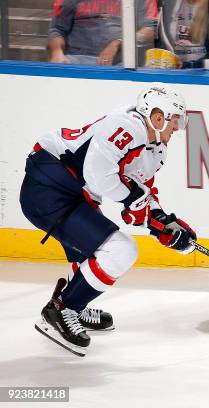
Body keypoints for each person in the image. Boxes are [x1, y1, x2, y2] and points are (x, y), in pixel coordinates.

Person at [20, 83, 196, 356]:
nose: (178, 127)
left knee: (94, 250)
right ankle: (63, 309)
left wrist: (163, 222)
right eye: (175, 120)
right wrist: (135, 202)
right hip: (49, 186)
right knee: (120, 250)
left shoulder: (155, 148)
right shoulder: (129, 126)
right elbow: (98, 174)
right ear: (158, 116)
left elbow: (141, 192)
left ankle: (74, 305)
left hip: (72, 192)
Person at [48, 0, 158, 66]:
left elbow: (150, 29)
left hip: (120, 64)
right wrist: (57, 52)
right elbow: (57, 29)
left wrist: (119, 42)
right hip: (77, 60)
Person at [157, 0, 209, 68]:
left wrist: (189, 65)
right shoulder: (167, 5)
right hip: (172, 74)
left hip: (204, 77)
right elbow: (162, 43)